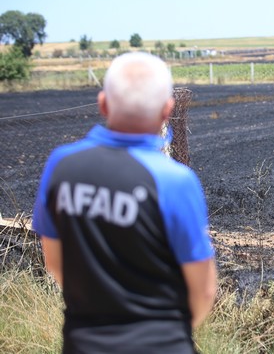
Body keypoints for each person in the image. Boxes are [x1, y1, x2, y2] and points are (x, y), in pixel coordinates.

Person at [32, 52, 217, 354]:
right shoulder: (175, 181)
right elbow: (203, 288)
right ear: (167, 109)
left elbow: (54, 262)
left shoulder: (62, 166)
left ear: (103, 103)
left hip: (84, 342)